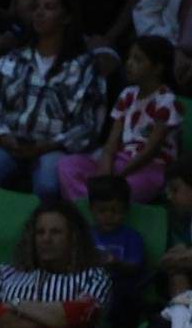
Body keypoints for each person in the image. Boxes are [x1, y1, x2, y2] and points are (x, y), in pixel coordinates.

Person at [0, 0, 107, 199]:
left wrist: (48, 145)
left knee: (48, 185)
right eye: (36, 7)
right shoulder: (12, 60)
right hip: (10, 144)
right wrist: (3, 138)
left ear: (66, 17)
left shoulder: (83, 67)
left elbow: (89, 125)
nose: (40, 13)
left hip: (55, 148)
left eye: (49, 7)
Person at [57, 36, 182, 203]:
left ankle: (93, 203)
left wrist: (118, 176)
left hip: (150, 167)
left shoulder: (167, 101)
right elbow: (112, 141)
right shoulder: (127, 94)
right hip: (120, 159)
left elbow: (150, 150)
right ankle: (91, 204)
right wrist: (106, 167)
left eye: (138, 60)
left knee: (119, 191)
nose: (129, 64)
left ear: (157, 68)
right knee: (66, 166)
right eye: (129, 58)